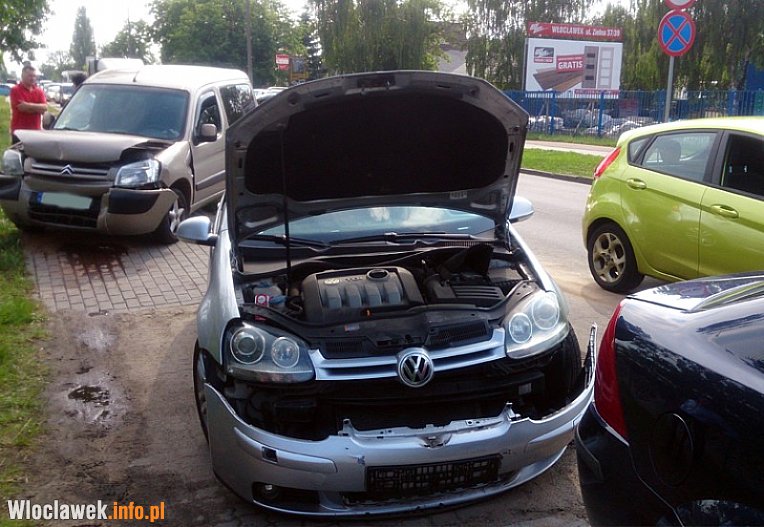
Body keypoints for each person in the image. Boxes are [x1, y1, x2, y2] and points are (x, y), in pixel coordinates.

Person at [9, 64, 47, 143]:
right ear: (22, 76)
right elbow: (22, 109)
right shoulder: (15, 90)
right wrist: (37, 109)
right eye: (30, 76)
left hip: (35, 132)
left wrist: (28, 105)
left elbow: (44, 108)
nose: (32, 78)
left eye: (34, 76)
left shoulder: (39, 91)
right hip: (19, 132)